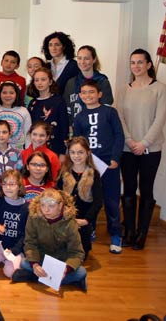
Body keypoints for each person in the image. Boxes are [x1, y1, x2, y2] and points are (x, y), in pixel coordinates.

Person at [116, 48, 166, 250]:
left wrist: (144, 143)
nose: (135, 66)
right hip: (127, 149)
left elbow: (160, 119)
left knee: (146, 189)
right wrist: (129, 140)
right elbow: (119, 117)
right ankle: (129, 231)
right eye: (132, 62)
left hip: (150, 149)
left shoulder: (160, 88)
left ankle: (141, 233)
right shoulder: (123, 90)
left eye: (139, 62)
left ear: (148, 65)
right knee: (128, 188)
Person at [73, 79, 124, 253]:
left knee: (111, 200)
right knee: (89, 198)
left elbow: (119, 136)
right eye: (84, 93)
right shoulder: (79, 117)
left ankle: (116, 234)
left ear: (99, 94)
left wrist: (115, 158)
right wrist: (81, 161)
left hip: (109, 164)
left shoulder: (109, 112)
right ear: (80, 96)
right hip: (90, 165)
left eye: (91, 92)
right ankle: (90, 228)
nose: (88, 95)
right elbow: (78, 142)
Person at [11, 188, 87, 291]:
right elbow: (30, 243)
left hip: (61, 261)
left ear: (60, 205)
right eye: (43, 205)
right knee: (24, 262)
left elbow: (77, 252)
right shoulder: (33, 217)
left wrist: (66, 269)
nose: (46, 210)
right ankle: (56, 279)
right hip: (41, 258)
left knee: (82, 272)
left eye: (51, 206)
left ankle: (33, 277)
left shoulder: (70, 223)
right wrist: (35, 264)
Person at [56, 137, 103, 258]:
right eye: (73, 152)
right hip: (64, 220)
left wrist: (86, 220)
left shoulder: (94, 174)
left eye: (80, 152)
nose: (76, 156)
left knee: (81, 255)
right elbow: (56, 197)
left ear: (88, 152)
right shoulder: (64, 173)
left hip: (83, 222)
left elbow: (98, 202)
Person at [0, 170, 28, 278]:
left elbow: (26, 235)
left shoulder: (26, 208)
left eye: (12, 184)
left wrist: (14, 251)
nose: (8, 187)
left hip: (14, 250)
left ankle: (12, 262)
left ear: (19, 186)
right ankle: (2, 259)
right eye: (4, 184)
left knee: (11, 273)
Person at [27, 67, 69, 160]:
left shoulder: (59, 101)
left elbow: (64, 128)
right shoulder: (32, 103)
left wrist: (62, 152)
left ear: (50, 82)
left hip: (55, 148)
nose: (39, 83)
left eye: (43, 79)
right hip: (36, 148)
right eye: (36, 80)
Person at [64, 45, 114, 121]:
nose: (82, 62)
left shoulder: (102, 81)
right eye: (79, 58)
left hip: (96, 126)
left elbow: (106, 110)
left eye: (86, 58)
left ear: (94, 60)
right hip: (76, 127)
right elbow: (67, 109)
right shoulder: (71, 83)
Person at [0, 81, 31, 150]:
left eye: (11, 93)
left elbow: (28, 134)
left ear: (17, 95)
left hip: (19, 152)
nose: (8, 95)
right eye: (4, 92)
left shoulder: (23, 111)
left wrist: (28, 151)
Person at [41, 31, 79, 95]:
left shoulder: (74, 66)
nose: (53, 48)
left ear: (64, 46)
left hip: (68, 103)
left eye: (57, 45)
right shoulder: (45, 66)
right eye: (50, 45)